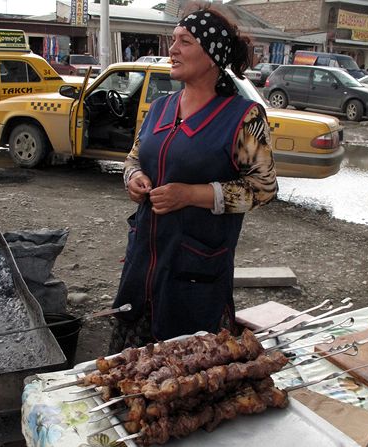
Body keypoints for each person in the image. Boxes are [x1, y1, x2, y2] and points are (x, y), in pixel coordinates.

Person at [108, 2, 278, 353]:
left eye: (184, 41)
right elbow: (134, 156)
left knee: (185, 379)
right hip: (143, 262)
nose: (171, 50)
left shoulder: (243, 117)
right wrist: (134, 176)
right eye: (173, 40)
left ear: (212, 55)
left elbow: (263, 188)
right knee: (129, 373)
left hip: (195, 269)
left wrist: (191, 195)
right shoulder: (160, 107)